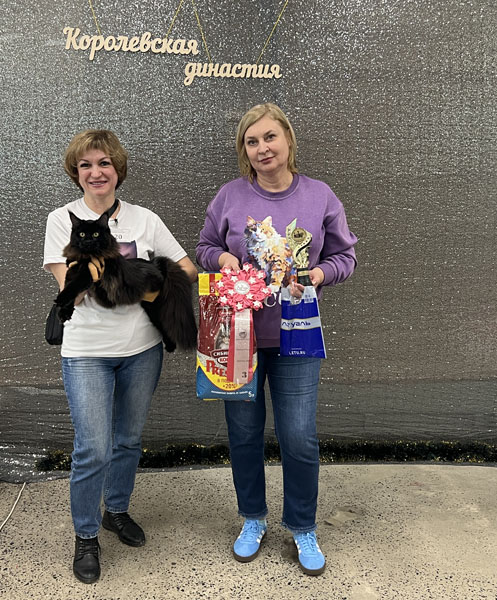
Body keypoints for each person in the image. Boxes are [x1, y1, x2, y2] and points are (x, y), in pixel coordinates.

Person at [196, 103, 357, 576]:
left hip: (297, 337)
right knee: (244, 435)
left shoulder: (320, 195)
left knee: (299, 437)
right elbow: (205, 246)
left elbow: (346, 257)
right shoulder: (229, 196)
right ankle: (253, 518)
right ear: (244, 150)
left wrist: (319, 274)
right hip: (239, 336)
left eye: (270, 137)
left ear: (287, 139)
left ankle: (302, 525)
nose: (262, 148)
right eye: (252, 141)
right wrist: (223, 261)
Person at [43, 130, 197, 584]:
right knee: (92, 447)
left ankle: (116, 510)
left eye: (104, 163)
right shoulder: (61, 219)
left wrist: (148, 284)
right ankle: (86, 535)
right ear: (76, 173)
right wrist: (124, 282)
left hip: (141, 350)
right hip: (87, 352)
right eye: (86, 165)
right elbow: (72, 288)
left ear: (118, 169)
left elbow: (186, 268)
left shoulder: (144, 219)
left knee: (128, 440)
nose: (96, 172)